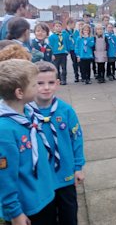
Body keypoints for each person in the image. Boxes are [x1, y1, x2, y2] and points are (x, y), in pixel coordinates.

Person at [0, 59, 56, 225]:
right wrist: (15, 212)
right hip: (28, 207)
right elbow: (4, 177)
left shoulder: (28, 111)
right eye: (34, 85)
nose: (39, 88)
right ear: (19, 93)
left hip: (44, 194)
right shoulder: (5, 130)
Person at [29, 61, 85, 225]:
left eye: (51, 82)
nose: (46, 87)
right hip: (40, 180)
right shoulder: (26, 113)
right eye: (40, 83)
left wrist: (78, 167)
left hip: (65, 176)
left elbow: (77, 139)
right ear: (30, 85)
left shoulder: (66, 110)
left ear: (58, 84)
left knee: (69, 217)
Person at [48, 21, 69, 85]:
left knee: (64, 67)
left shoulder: (64, 35)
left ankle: (64, 80)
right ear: (53, 27)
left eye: (59, 26)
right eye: (56, 26)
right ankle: (58, 79)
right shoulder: (51, 36)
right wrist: (52, 54)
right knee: (56, 68)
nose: (58, 28)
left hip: (63, 53)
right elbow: (50, 46)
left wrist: (67, 50)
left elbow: (67, 43)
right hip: (56, 54)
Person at [64, 18, 80, 82]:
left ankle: (81, 74)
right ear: (69, 24)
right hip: (71, 50)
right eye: (74, 24)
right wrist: (66, 50)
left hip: (77, 49)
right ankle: (76, 76)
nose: (74, 25)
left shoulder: (76, 32)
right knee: (74, 63)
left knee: (79, 62)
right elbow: (64, 42)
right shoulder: (64, 32)